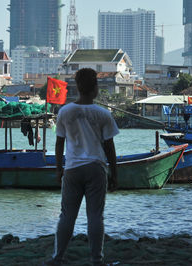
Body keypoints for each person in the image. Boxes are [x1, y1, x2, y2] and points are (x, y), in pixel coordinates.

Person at [45, 68, 119, 266]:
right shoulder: (103, 114)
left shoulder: (65, 112)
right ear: (95, 88)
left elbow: (59, 143)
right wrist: (115, 173)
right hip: (96, 168)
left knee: (67, 215)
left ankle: (57, 258)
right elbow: (109, 146)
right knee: (95, 215)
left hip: (72, 169)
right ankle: (97, 260)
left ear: (77, 87)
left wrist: (58, 169)